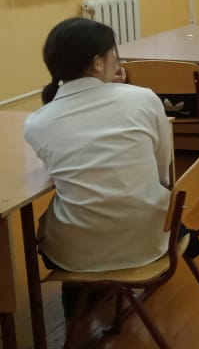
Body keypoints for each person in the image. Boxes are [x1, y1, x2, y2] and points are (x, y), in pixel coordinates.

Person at [23, 18, 174, 315]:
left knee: (59, 211)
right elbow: (163, 171)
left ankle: (81, 299)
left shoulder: (37, 123)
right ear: (97, 63)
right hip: (149, 239)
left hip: (75, 253)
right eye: (113, 55)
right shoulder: (143, 99)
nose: (117, 62)